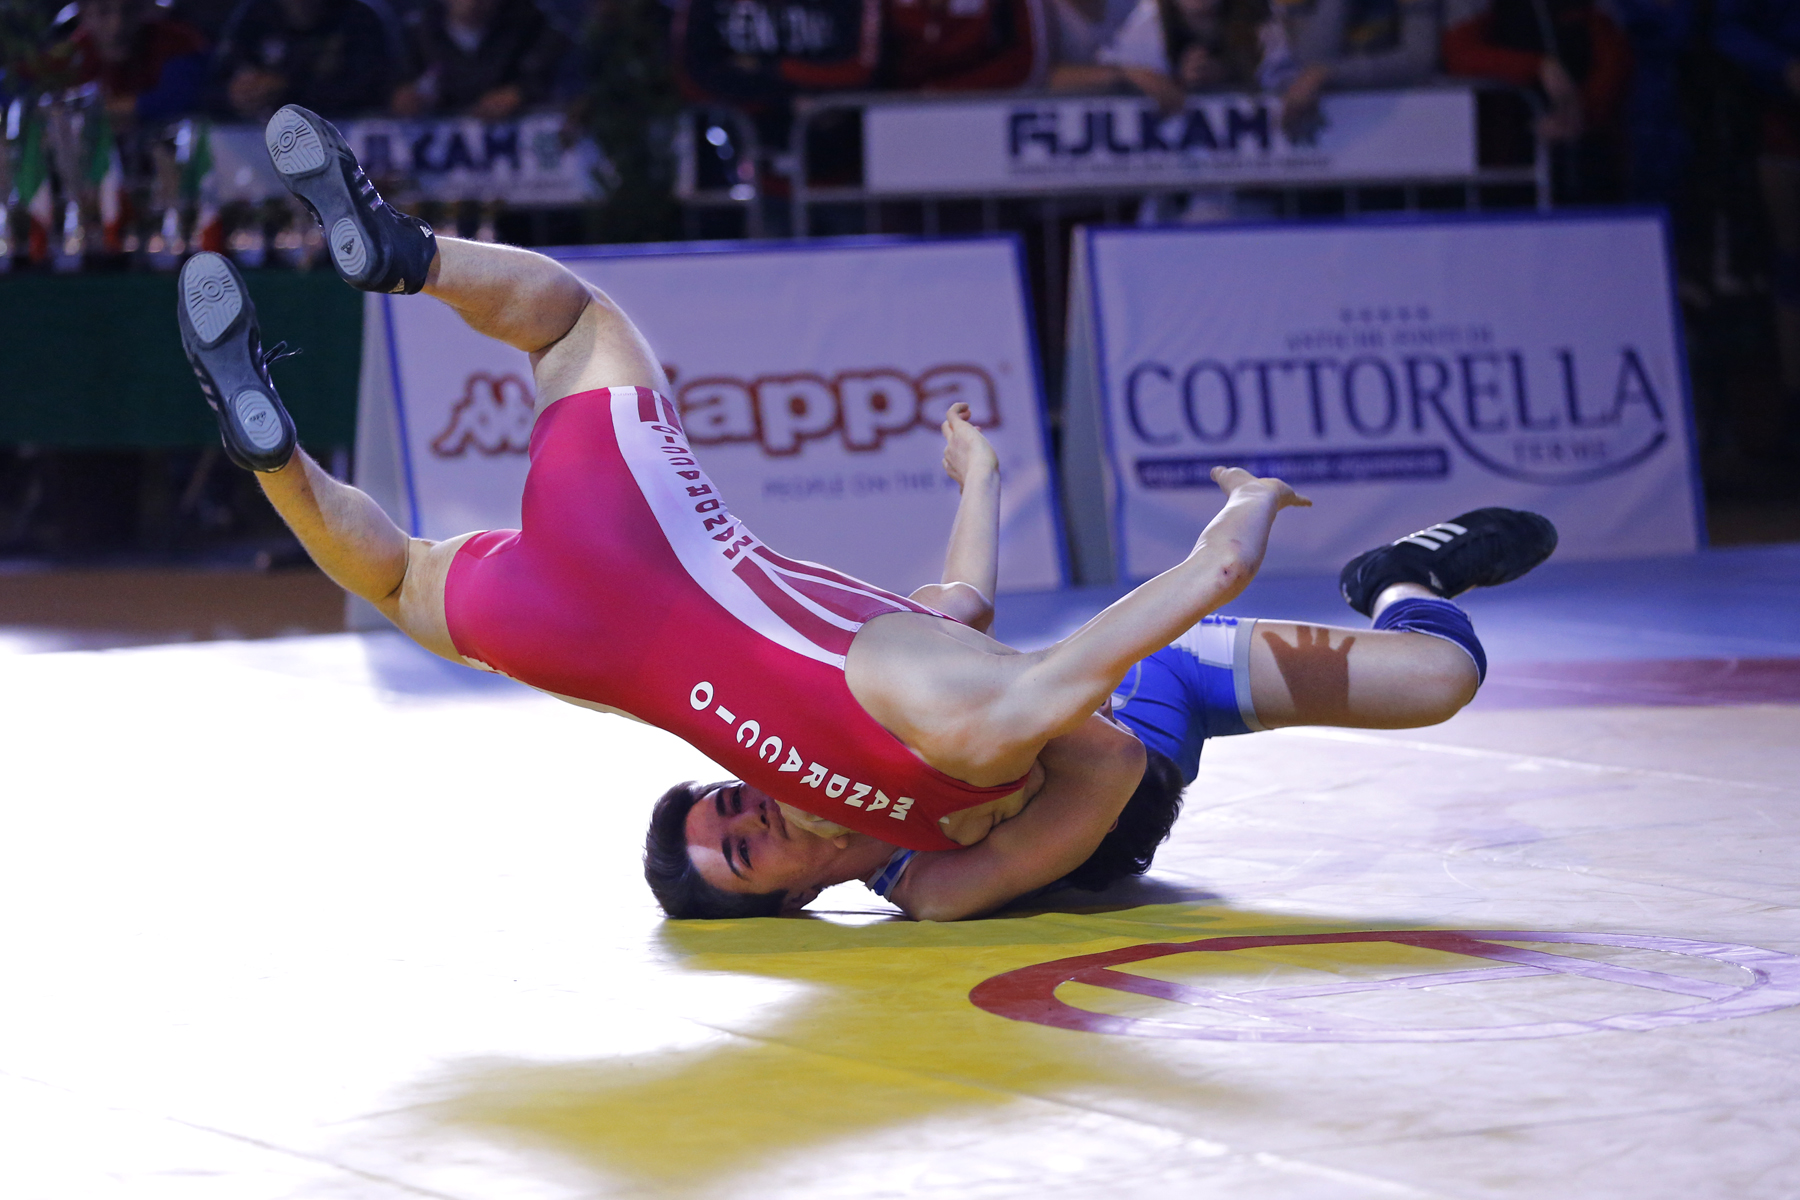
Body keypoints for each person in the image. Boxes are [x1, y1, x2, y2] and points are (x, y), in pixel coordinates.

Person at [176, 104, 1556, 921]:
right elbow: (1108, 760)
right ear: (793, 902)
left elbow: (957, 627)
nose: (741, 817)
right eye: (740, 853)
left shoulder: (895, 729)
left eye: (720, 810)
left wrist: (989, 489)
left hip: (1012, 681)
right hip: (1140, 706)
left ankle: (324, 378)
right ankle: (1404, 574)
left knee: (423, 584)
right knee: (1440, 676)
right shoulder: (929, 872)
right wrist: (1228, 535)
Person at [390, 0, 570, 119]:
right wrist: (401, 97)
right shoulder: (416, 32)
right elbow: (394, 83)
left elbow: (549, 78)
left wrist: (520, 93)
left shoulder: (533, 27)